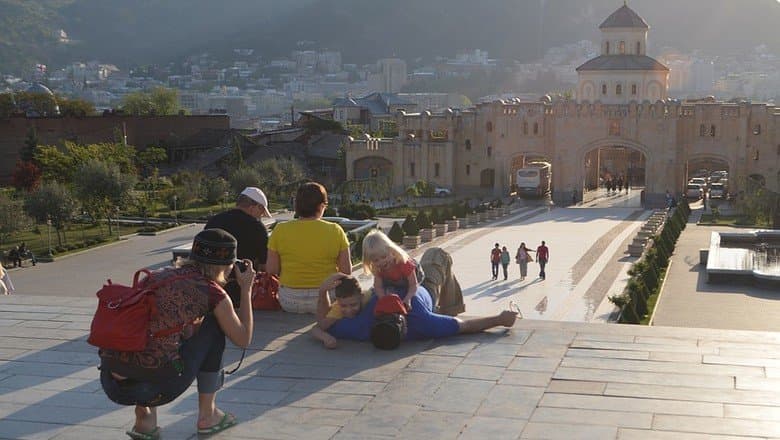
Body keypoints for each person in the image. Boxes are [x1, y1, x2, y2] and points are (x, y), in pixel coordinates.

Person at [98, 229, 256, 439]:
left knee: (153, 332)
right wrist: (246, 290)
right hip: (155, 388)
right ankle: (208, 415)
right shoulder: (213, 293)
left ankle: (145, 418)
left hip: (111, 381)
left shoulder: (155, 276)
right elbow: (243, 338)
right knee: (212, 326)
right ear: (228, 265)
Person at [322, 282, 518, 349]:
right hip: (426, 290)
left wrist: (323, 292)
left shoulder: (362, 326)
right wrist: (499, 319)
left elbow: (322, 324)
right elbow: (465, 326)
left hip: (411, 284)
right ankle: (450, 309)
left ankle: (448, 310)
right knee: (438, 256)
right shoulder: (424, 322)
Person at [266, 181, 351, 313]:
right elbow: (346, 272)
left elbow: (271, 269)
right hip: (326, 300)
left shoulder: (280, 229)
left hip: (289, 301)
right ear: (322, 206)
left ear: (296, 206)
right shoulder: (335, 230)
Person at [204, 187, 271, 307]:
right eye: (261, 212)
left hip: (210, 289)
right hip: (241, 291)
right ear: (254, 207)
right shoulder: (257, 228)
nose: (261, 216)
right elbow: (264, 265)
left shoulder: (214, 221)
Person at [362, 229, 420, 309]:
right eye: (376, 260)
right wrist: (383, 299)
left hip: (414, 277)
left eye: (384, 257)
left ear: (391, 251)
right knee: (375, 293)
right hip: (393, 283)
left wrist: (408, 298)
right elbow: (378, 287)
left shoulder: (403, 264)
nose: (381, 262)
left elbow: (413, 284)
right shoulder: (378, 269)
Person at [311, 273, 368, 348]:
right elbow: (316, 328)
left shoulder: (367, 297)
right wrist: (326, 338)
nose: (349, 310)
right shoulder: (337, 309)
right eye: (344, 306)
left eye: (353, 305)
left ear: (361, 297)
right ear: (337, 301)